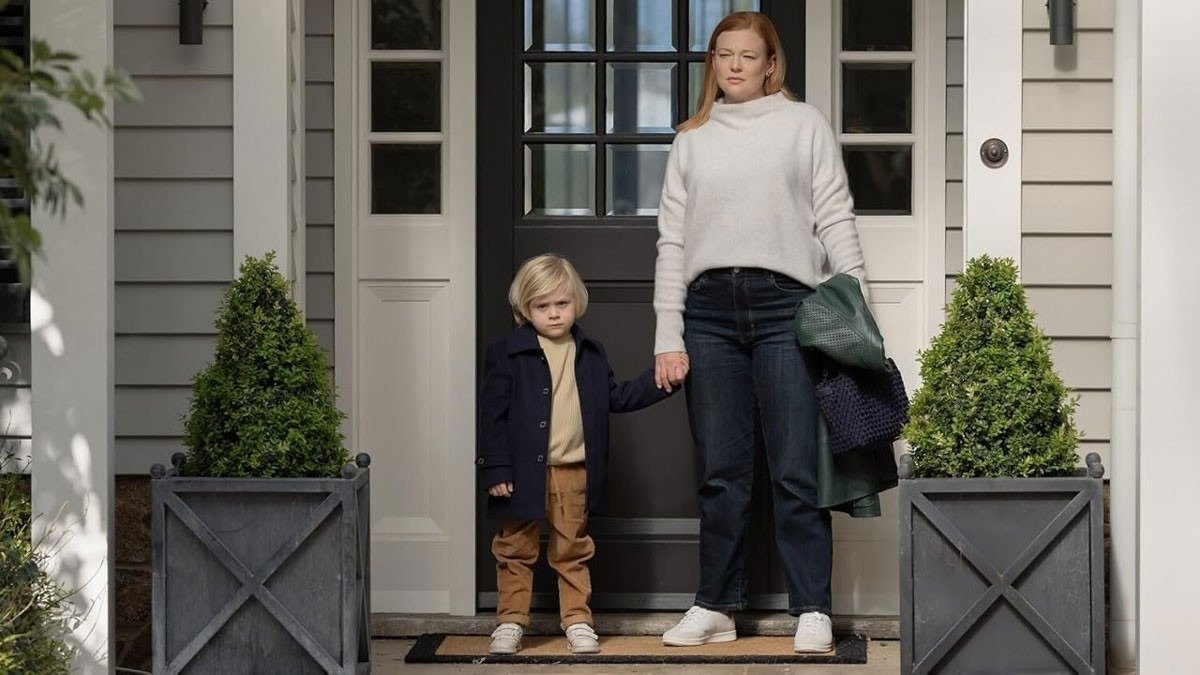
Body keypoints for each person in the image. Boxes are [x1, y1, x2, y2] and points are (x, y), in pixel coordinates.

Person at [653, 11, 870, 654]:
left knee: (796, 467)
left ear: (772, 63)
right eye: (725, 55)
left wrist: (857, 305)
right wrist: (669, 332)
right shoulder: (691, 139)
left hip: (786, 309)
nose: (736, 66)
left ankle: (812, 609)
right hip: (709, 312)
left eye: (749, 55)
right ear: (713, 63)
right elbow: (671, 241)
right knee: (722, 470)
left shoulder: (803, 126)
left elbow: (834, 215)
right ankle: (716, 605)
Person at [478, 253, 676, 655]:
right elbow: (492, 417)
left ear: (576, 303)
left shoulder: (590, 352)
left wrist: (660, 382)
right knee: (515, 549)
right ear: (525, 308)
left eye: (561, 304)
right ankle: (510, 623)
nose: (553, 314)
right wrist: (496, 467)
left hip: (574, 472)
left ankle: (578, 621)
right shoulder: (506, 354)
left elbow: (615, 397)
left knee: (572, 549)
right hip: (520, 473)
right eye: (542, 306)